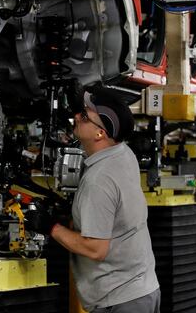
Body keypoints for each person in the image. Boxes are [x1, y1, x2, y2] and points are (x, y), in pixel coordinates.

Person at [37, 87, 160, 313]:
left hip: (120, 300)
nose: (76, 117)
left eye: (84, 117)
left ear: (100, 134)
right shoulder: (123, 153)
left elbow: (96, 249)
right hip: (142, 289)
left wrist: (50, 226)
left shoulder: (99, 181)